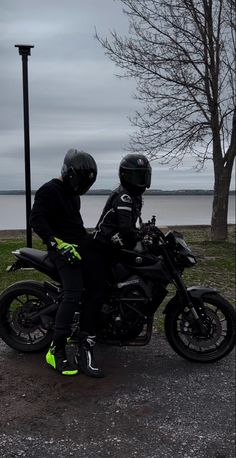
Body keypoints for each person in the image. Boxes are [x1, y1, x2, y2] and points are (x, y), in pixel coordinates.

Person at [30, 148, 104, 377]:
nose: (83, 186)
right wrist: (56, 245)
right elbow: (37, 221)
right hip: (61, 251)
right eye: (82, 181)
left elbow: (75, 226)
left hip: (77, 245)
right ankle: (56, 349)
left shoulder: (73, 194)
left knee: (101, 280)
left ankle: (87, 335)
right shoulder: (49, 191)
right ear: (70, 173)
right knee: (73, 292)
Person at [81, 153, 152, 347]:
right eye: (137, 176)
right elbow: (125, 230)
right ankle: (86, 336)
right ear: (125, 176)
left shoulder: (133, 197)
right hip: (99, 248)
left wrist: (145, 232)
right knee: (97, 292)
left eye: (143, 175)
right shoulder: (125, 197)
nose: (141, 180)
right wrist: (138, 236)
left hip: (110, 249)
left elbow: (130, 229)